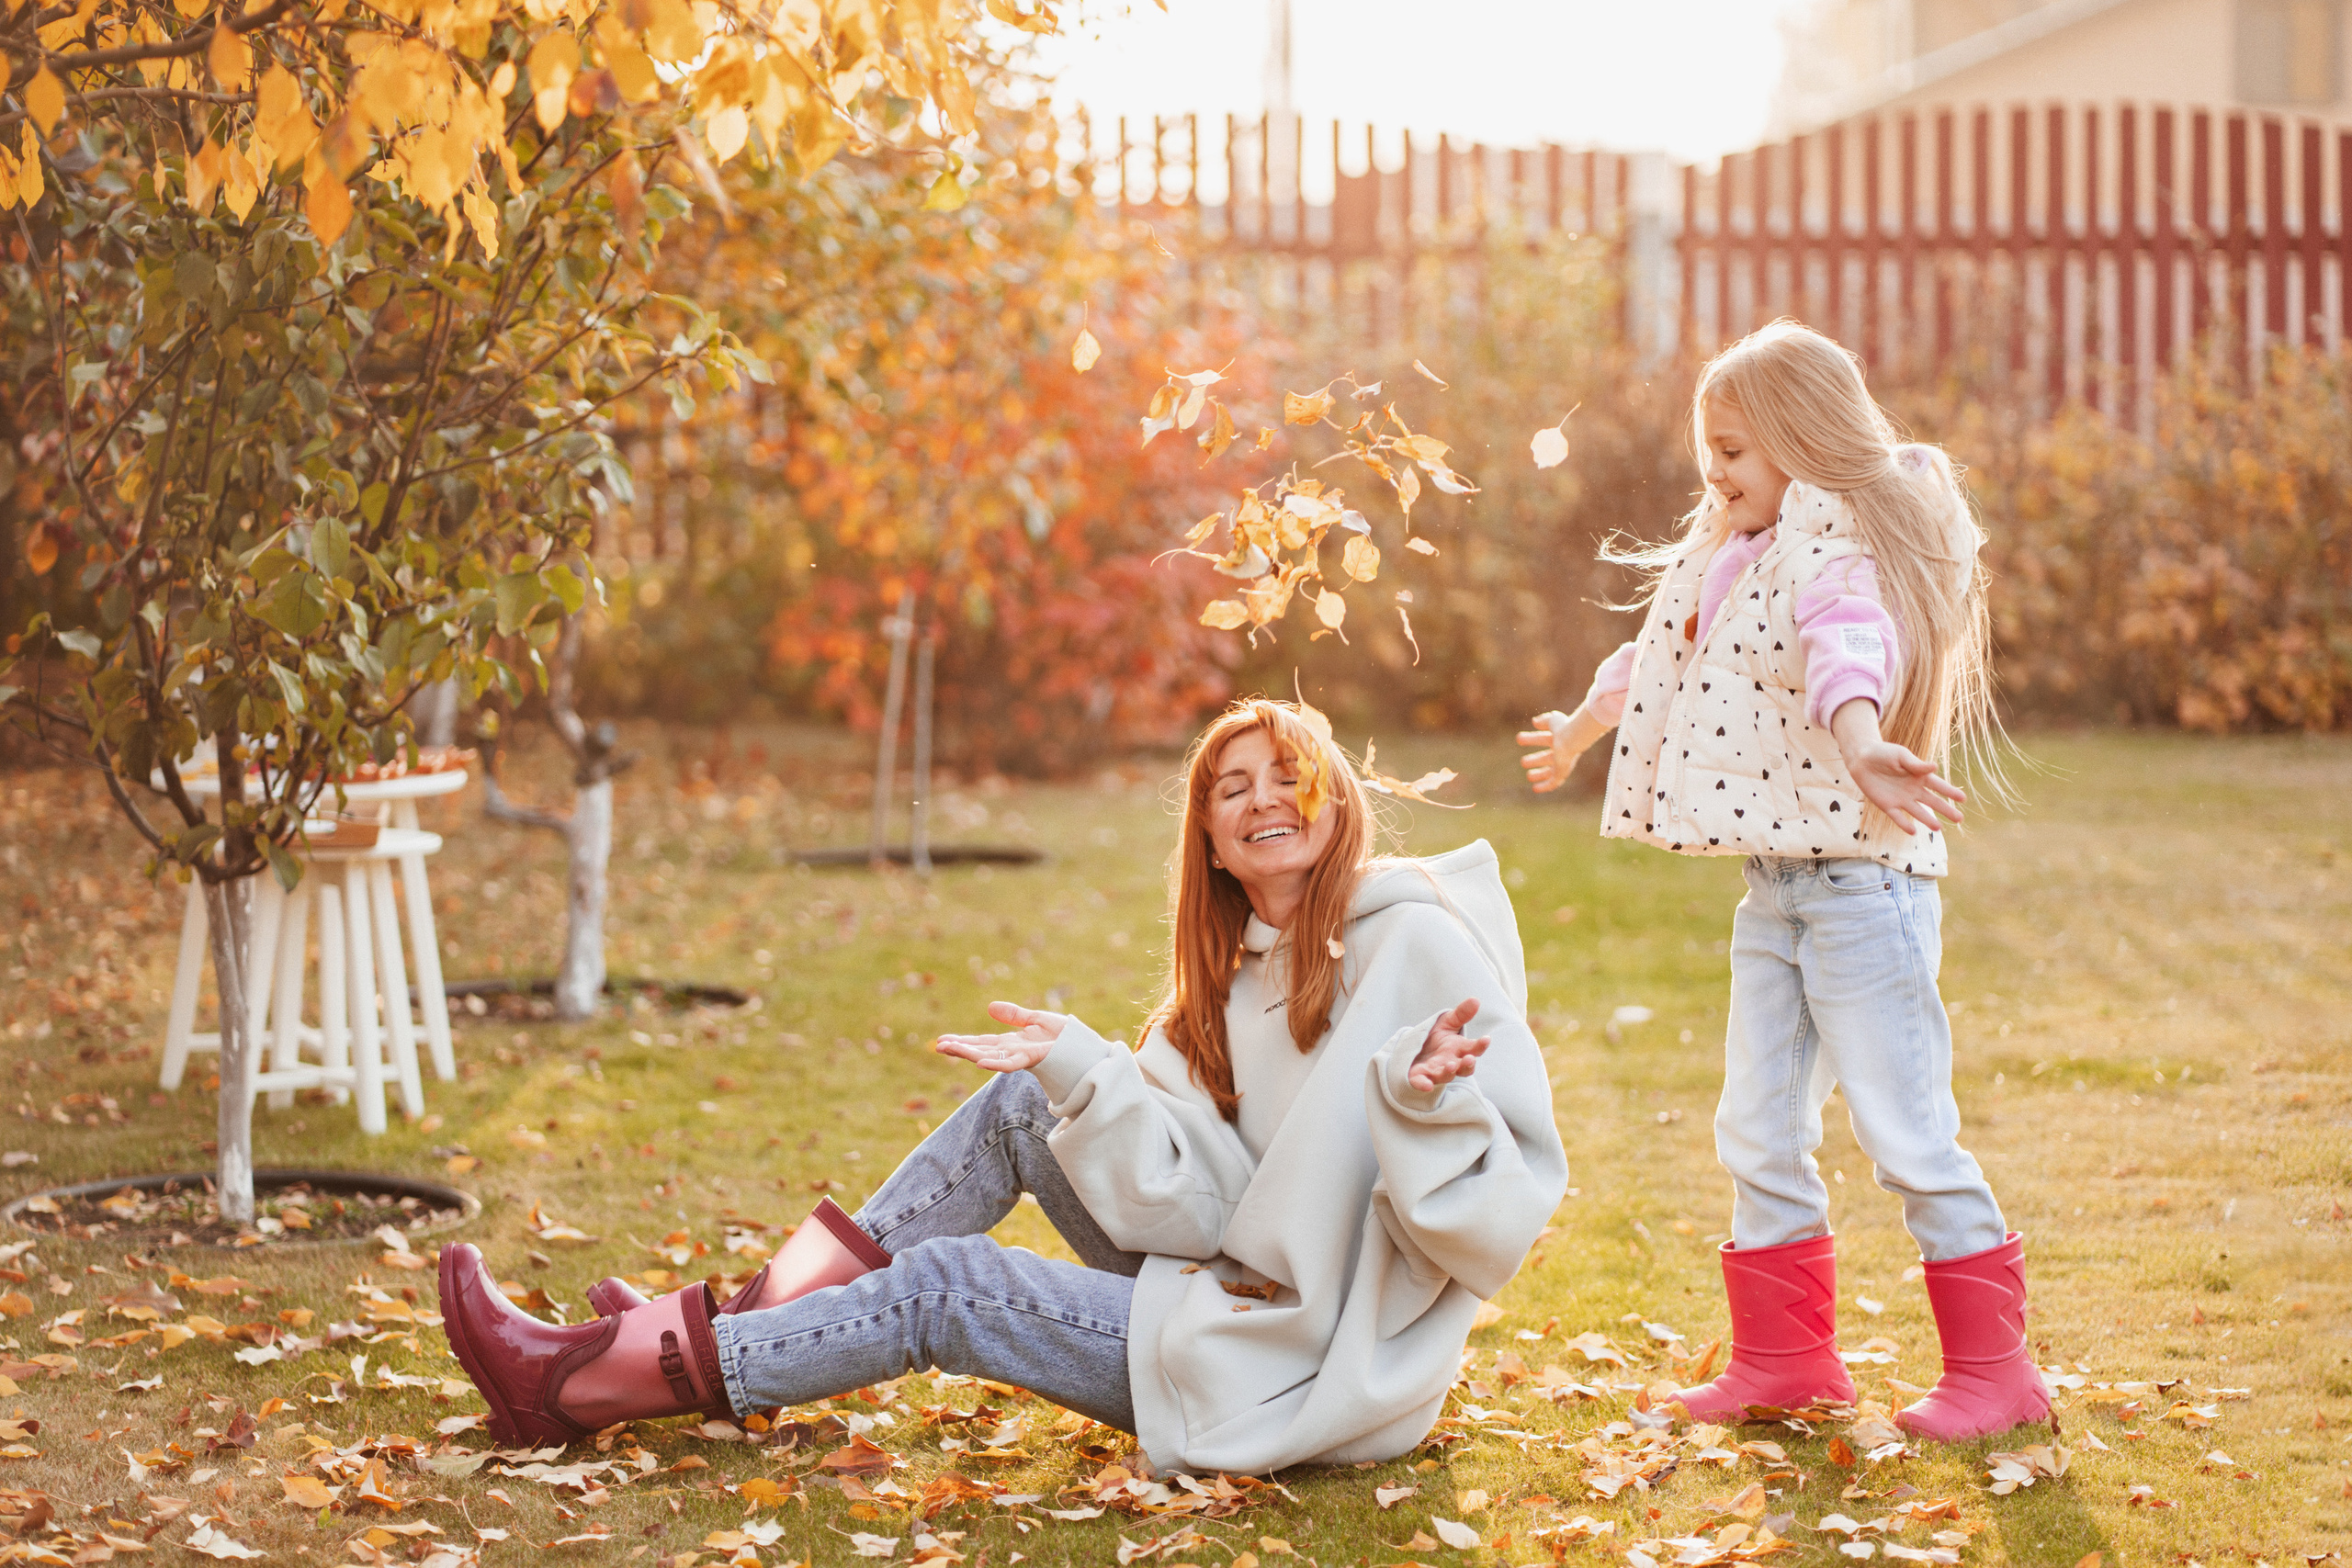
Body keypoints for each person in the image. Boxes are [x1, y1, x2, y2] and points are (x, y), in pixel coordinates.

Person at [440, 699, 1566, 1472]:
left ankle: (591, 1384)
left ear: (1335, 802)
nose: (1262, 798)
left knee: (949, 1291)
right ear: (1212, 844)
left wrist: (1423, 1108)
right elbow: (1200, 1210)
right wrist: (1083, 1066)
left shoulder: (1419, 946)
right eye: (1231, 788)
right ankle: (746, 1323)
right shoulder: (1226, 988)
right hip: (1227, 1290)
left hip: (1300, 1362)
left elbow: (1492, 1232)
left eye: (1287, 775)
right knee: (1028, 1101)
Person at [1514, 321, 2044, 1442]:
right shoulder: (1735, 551)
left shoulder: (1836, 552)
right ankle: (1786, 1357)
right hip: (1779, 889)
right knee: (1755, 1124)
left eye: (1736, 451)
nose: (1716, 473)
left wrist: (1859, 742)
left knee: (1905, 1131)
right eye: (1709, 450)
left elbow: (1847, 646)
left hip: (1863, 890)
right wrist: (1578, 728)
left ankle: (1997, 1374)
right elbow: (1662, 656)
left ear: (1804, 443)